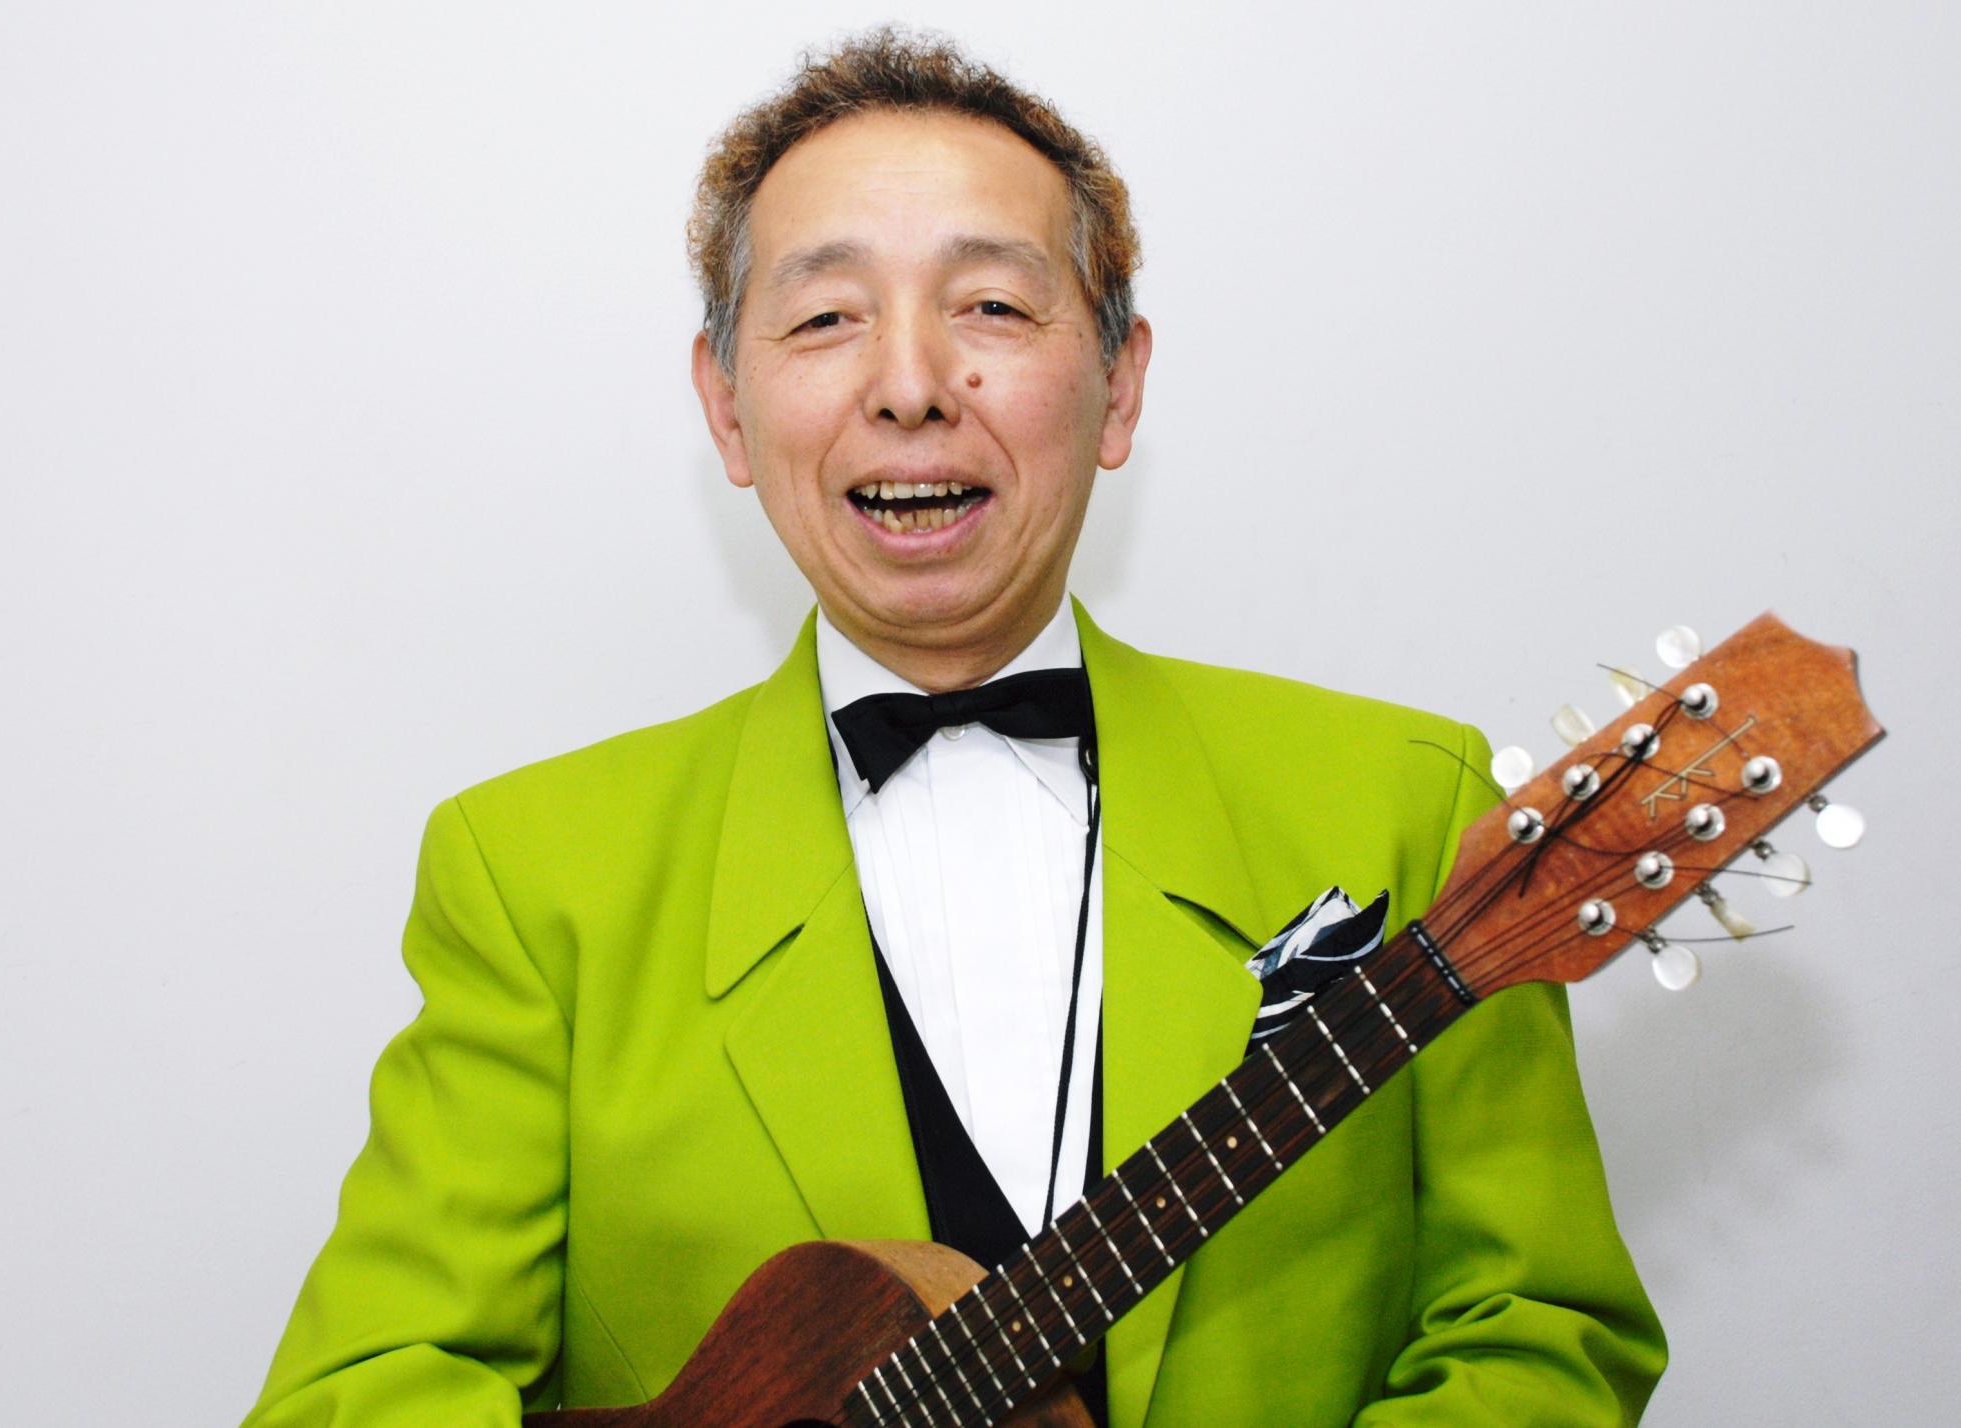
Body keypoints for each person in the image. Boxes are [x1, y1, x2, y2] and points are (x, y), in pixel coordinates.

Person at [245, 27, 1665, 1427]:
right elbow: (353, 1397)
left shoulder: (1405, 801)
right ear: (726, 410)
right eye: (825, 318)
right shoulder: (534, 875)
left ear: (1119, 385)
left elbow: (1542, 1333)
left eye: (991, 305)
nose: (911, 384)